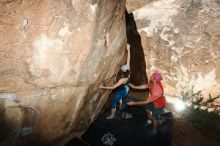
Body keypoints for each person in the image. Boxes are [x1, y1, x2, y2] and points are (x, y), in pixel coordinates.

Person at [100, 44, 131, 119]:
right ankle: (120, 104)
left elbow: (113, 87)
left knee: (114, 102)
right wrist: (128, 49)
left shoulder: (122, 80)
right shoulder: (128, 70)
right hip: (126, 88)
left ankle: (112, 115)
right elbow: (128, 60)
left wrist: (102, 86)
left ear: (122, 72)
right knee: (119, 97)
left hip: (122, 90)